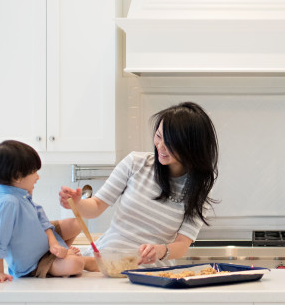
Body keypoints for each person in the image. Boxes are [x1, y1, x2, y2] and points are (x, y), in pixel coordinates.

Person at [58, 102, 219, 270]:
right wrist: (77, 203)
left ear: (191, 146)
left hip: (148, 272)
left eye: (171, 143)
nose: (160, 147)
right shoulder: (136, 163)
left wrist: (161, 250)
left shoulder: (201, 187)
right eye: (158, 136)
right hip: (101, 263)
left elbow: (182, 244)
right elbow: (97, 206)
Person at [0, 140, 85, 283]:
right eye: (33, 172)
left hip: (43, 245)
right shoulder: (8, 202)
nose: (37, 177)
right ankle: (70, 259)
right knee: (77, 264)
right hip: (33, 263)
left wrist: (54, 244)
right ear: (18, 176)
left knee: (75, 224)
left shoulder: (21, 194)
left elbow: (42, 220)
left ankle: (60, 254)